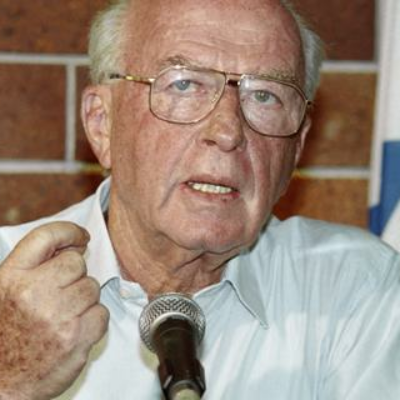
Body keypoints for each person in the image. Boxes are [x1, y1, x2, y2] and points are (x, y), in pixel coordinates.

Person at [0, 0, 399, 399]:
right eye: (184, 84)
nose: (228, 132)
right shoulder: (8, 290)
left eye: (265, 96)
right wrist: (12, 377)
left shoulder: (355, 288)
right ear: (102, 124)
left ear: (296, 147)